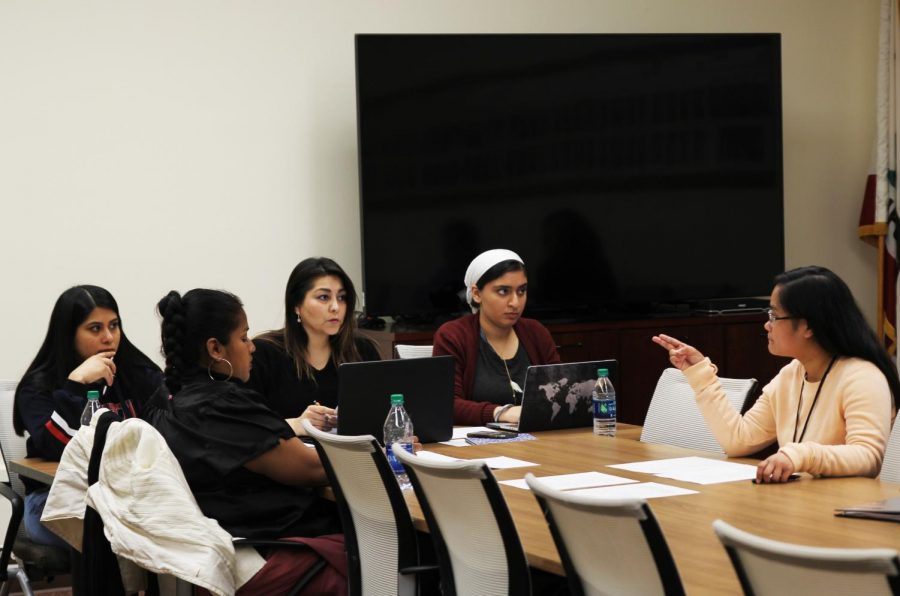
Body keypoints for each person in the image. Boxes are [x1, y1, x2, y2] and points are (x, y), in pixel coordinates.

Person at [152, 288, 347, 594]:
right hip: (263, 552)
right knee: (395, 550)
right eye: (243, 337)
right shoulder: (224, 406)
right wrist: (390, 448)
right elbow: (312, 469)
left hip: (215, 552)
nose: (252, 347)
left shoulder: (167, 399)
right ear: (216, 349)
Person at [652, 266, 898, 483]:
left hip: (846, 516)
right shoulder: (792, 374)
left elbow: (868, 457)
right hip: (803, 505)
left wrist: (798, 455)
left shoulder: (863, 377)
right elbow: (739, 439)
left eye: (774, 315)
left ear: (808, 326)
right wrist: (698, 372)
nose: (766, 324)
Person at [14, 284, 163, 547]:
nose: (109, 337)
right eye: (95, 328)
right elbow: (55, 448)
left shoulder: (137, 373)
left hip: (130, 492)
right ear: (68, 334)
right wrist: (76, 384)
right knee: (117, 533)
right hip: (54, 499)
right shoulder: (38, 387)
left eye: (114, 325)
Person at [247, 257, 380, 433]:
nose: (335, 307)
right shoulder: (264, 352)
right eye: (323, 297)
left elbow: (381, 413)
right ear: (296, 305)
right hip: (290, 455)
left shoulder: (362, 349)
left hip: (352, 454)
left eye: (341, 297)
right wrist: (297, 423)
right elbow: (245, 427)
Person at [433, 249, 560, 425]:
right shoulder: (453, 335)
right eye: (503, 291)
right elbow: (447, 404)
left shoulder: (536, 332)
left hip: (538, 439)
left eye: (521, 291)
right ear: (477, 294)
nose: (515, 302)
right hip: (477, 445)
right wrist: (501, 413)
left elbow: (560, 391)